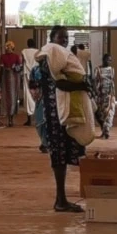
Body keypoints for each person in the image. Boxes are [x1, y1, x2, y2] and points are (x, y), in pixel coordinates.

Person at [34, 26, 92, 212]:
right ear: (52, 39)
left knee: (65, 153)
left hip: (63, 113)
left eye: (66, 38)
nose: (64, 41)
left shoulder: (60, 57)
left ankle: (62, 199)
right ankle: (60, 200)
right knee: (58, 155)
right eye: (61, 38)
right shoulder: (48, 58)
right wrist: (81, 84)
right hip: (55, 115)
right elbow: (59, 83)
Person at [0, 40, 22, 127]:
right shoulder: (16, 56)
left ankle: (9, 118)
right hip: (15, 79)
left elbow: (1, 70)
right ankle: (11, 118)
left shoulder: (2, 57)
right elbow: (19, 68)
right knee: (13, 97)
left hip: (5, 79)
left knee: (6, 98)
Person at [94, 54, 116, 139]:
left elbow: (112, 82)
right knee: (99, 113)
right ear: (103, 60)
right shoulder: (98, 69)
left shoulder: (112, 70)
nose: (109, 62)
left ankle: (106, 130)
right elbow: (95, 82)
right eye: (107, 60)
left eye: (110, 60)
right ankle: (103, 128)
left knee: (109, 113)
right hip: (100, 96)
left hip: (110, 95)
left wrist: (113, 94)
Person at [21, 38, 39, 126]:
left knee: (27, 95)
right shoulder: (38, 52)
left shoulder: (24, 51)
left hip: (26, 74)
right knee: (37, 95)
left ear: (27, 44)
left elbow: (21, 62)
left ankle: (29, 119)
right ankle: (37, 118)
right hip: (36, 75)